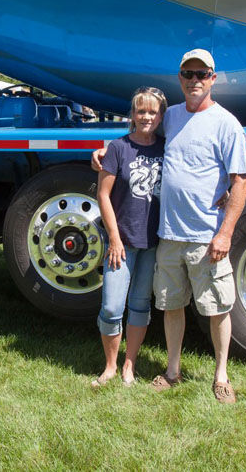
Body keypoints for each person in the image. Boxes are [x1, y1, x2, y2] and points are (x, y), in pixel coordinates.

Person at [93, 48, 246, 403]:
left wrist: (225, 233)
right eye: (188, 74)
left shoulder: (226, 123)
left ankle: (221, 376)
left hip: (207, 236)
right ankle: (172, 371)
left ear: (213, 78)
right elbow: (139, 135)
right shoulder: (172, 116)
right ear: (180, 78)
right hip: (167, 236)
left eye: (202, 74)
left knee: (217, 308)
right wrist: (101, 154)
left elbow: (240, 180)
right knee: (171, 305)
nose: (195, 80)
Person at [92, 87, 167, 388]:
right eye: (141, 111)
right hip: (121, 242)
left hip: (152, 242)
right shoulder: (117, 148)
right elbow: (103, 194)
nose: (147, 117)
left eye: (153, 111)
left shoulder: (167, 147)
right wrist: (114, 238)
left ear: (161, 116)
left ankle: (129, 364)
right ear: (132, 114)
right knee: (112, 307)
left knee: (140, 305)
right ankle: (110, 365)